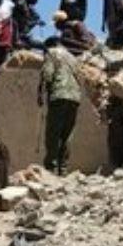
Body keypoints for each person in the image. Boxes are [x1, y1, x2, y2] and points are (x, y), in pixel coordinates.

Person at [37, 36, 82, 176]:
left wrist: (40, 93)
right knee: (67, 134)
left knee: (53, 133)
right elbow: (79, 77)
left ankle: (50, 167)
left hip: (58, 95)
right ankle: (63, 169)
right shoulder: (72, 57)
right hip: (74, 97)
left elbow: (48, 74)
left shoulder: (51, 53)